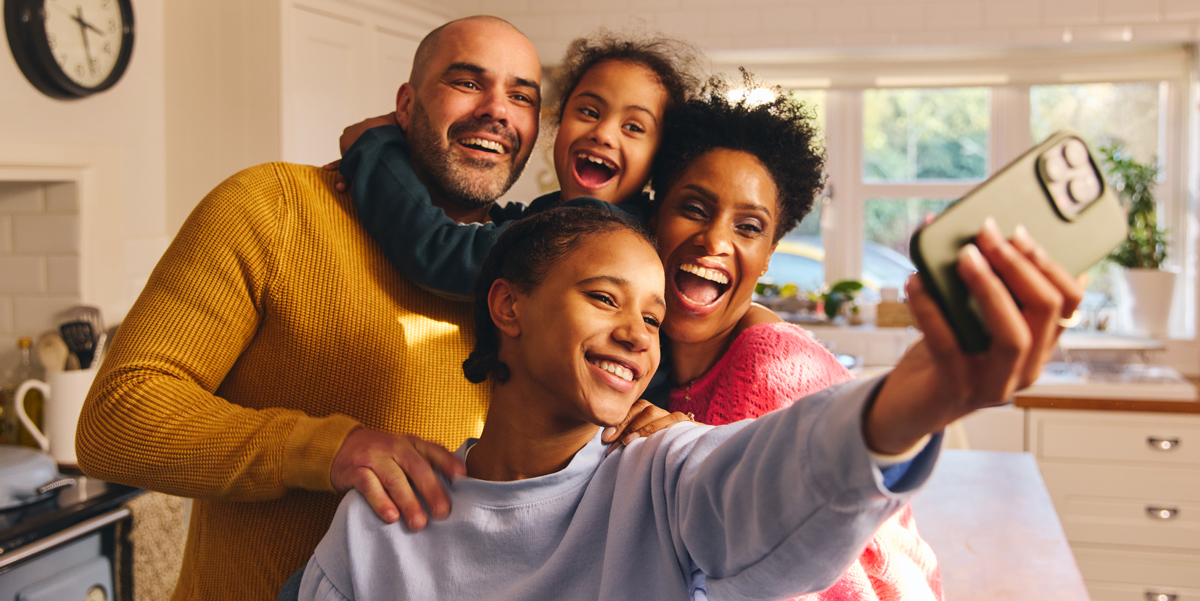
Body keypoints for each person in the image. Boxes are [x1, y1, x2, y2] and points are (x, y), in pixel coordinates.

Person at [293, 198, 1082, 600]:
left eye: (653, 317)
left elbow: (773, 479)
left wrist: (922, 392)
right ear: (509, 307)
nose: (640, 336)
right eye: (604, 298)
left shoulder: (659, 476)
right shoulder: (382, 521)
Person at [76, 16, 554, 601]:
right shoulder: (273, 208)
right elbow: (114, 421)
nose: (497, 110)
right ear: (406, 105)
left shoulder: (539, 269)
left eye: (521, 96)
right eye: (467, 82)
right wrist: (327, 448)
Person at [649, 79, 940, 600]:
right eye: (694, 208)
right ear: (654, 217)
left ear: (769, 255)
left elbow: (799, 579)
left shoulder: (770, 365)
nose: (715, 240)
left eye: (748, 226)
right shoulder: (654, 357)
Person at [331, 30, 700, 299]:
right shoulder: (553, 216)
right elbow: (500, 225)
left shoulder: (598, 234)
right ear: (556, 122)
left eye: (634, 127)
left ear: (659, 159)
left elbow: (437, 250)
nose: (603, 133)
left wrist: (376, 152)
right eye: (588, 111)